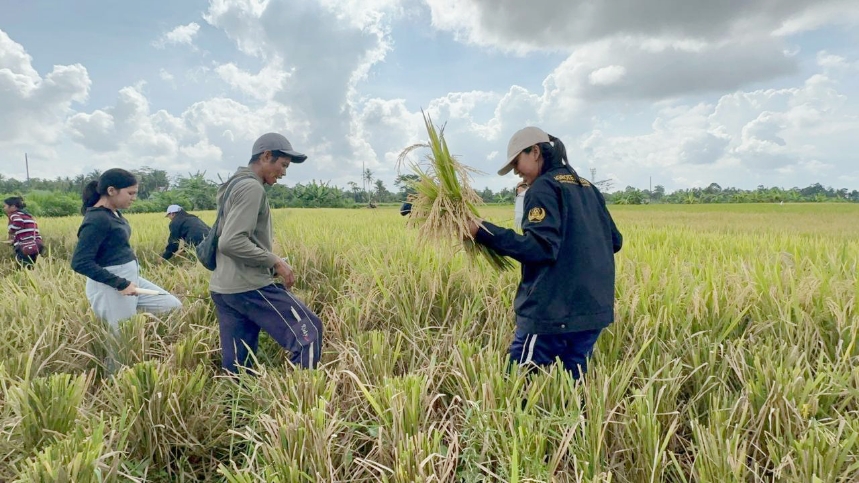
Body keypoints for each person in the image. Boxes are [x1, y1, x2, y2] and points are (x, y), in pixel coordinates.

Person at [467, 127, 623, 379]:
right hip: (592, 312)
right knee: (572, 390)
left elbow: (539, 248)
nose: (516, 171)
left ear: (536, 152)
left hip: (551, 312)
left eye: (516, 162)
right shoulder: (588, 187)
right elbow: (615, 241)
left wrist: (482, 231)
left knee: (516, 385)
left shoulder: (542, 188)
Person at [210, 132, 323, 374]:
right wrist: (274, 261)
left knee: (238, 365)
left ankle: (236, 409)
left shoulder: (232, 184)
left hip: (224, 289)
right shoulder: (251, 188)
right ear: (266, 156)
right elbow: (230, 241)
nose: (283, 172)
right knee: (309, 332)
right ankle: (301, 401)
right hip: (250, 286)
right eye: (282, 165)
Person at [71, 169, 182, 329]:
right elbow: (80, 262)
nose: (134, 198)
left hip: (129, 278)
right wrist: (120, 284)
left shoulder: (114, 213)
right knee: (121, 337)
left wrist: (127, 279)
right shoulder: (97, 219)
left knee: (171, 305)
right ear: (111, 191)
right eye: (130, 193)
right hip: (111, 285)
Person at [4, 196, 44, 268]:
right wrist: (14, 240)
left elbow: (18, 222)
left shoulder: (14, 214)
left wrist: (11, 231)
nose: (4, 208)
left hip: (26, 245)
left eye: (5, 206)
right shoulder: (27, 215)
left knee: (23, 269)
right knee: (33, 268)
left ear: (13, 207)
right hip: (37, 243)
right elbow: (26, 232)